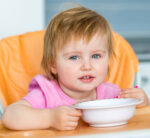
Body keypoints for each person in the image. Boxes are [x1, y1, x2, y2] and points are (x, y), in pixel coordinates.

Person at [2, 6, 148, 131]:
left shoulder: (110, 94)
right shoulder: (46, 94)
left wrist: (141, 101)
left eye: (96, 56)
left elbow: (137, 118)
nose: (87, 66)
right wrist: (50, 118)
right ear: (53, 65)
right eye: (74, 57)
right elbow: (10, 116)